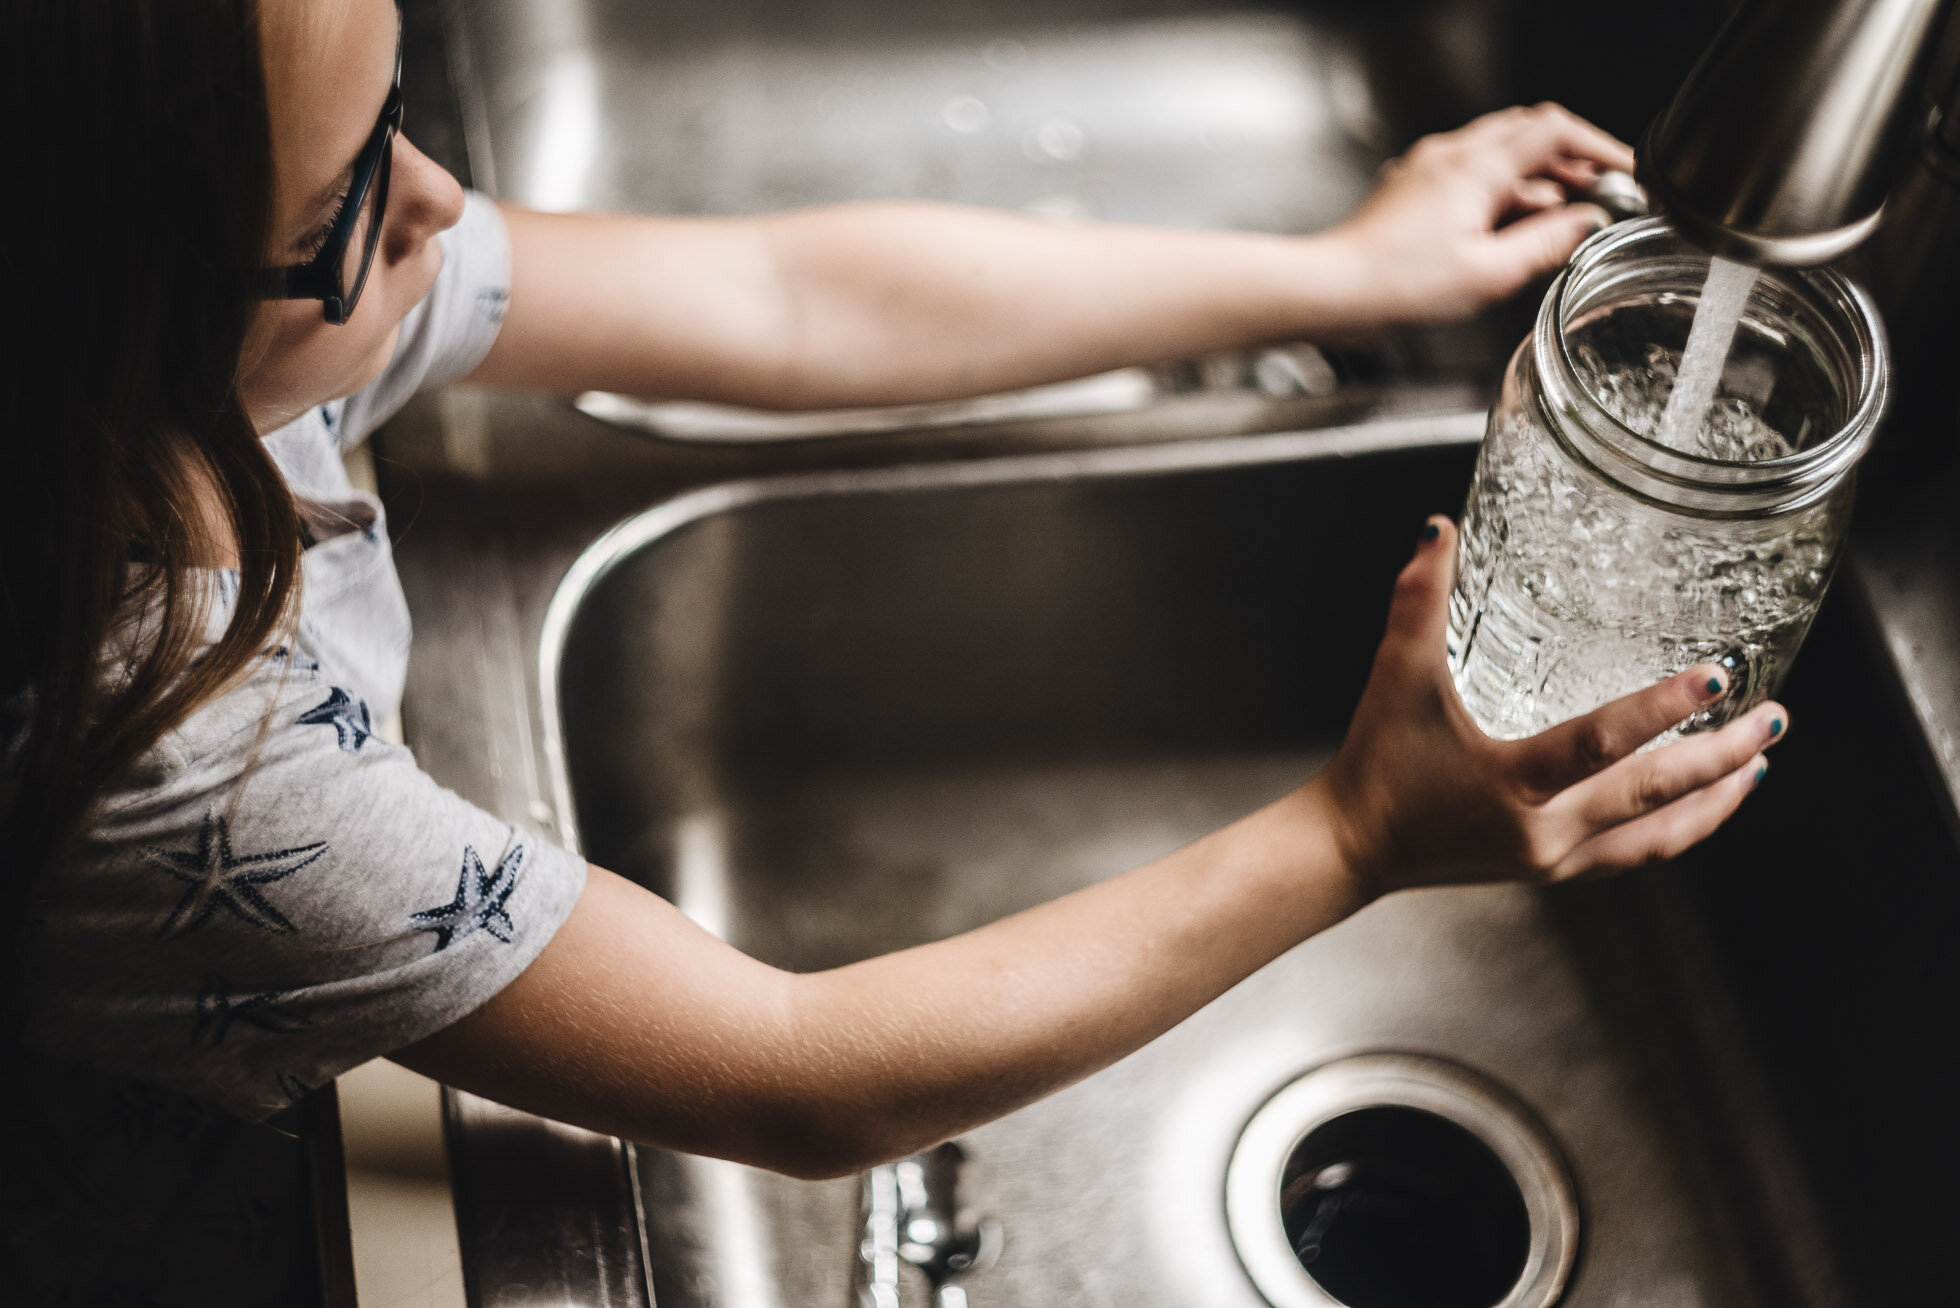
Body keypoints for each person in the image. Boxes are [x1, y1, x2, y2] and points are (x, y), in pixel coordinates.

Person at [1, 0, 1787, 1192]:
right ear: (105, 311)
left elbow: (788, 299)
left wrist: (1331, 268)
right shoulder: (187, 777)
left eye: (402, 119)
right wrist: (1353, 837)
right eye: (345, 201)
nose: (439, 201)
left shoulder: (209, 342)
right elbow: (801, 1067)